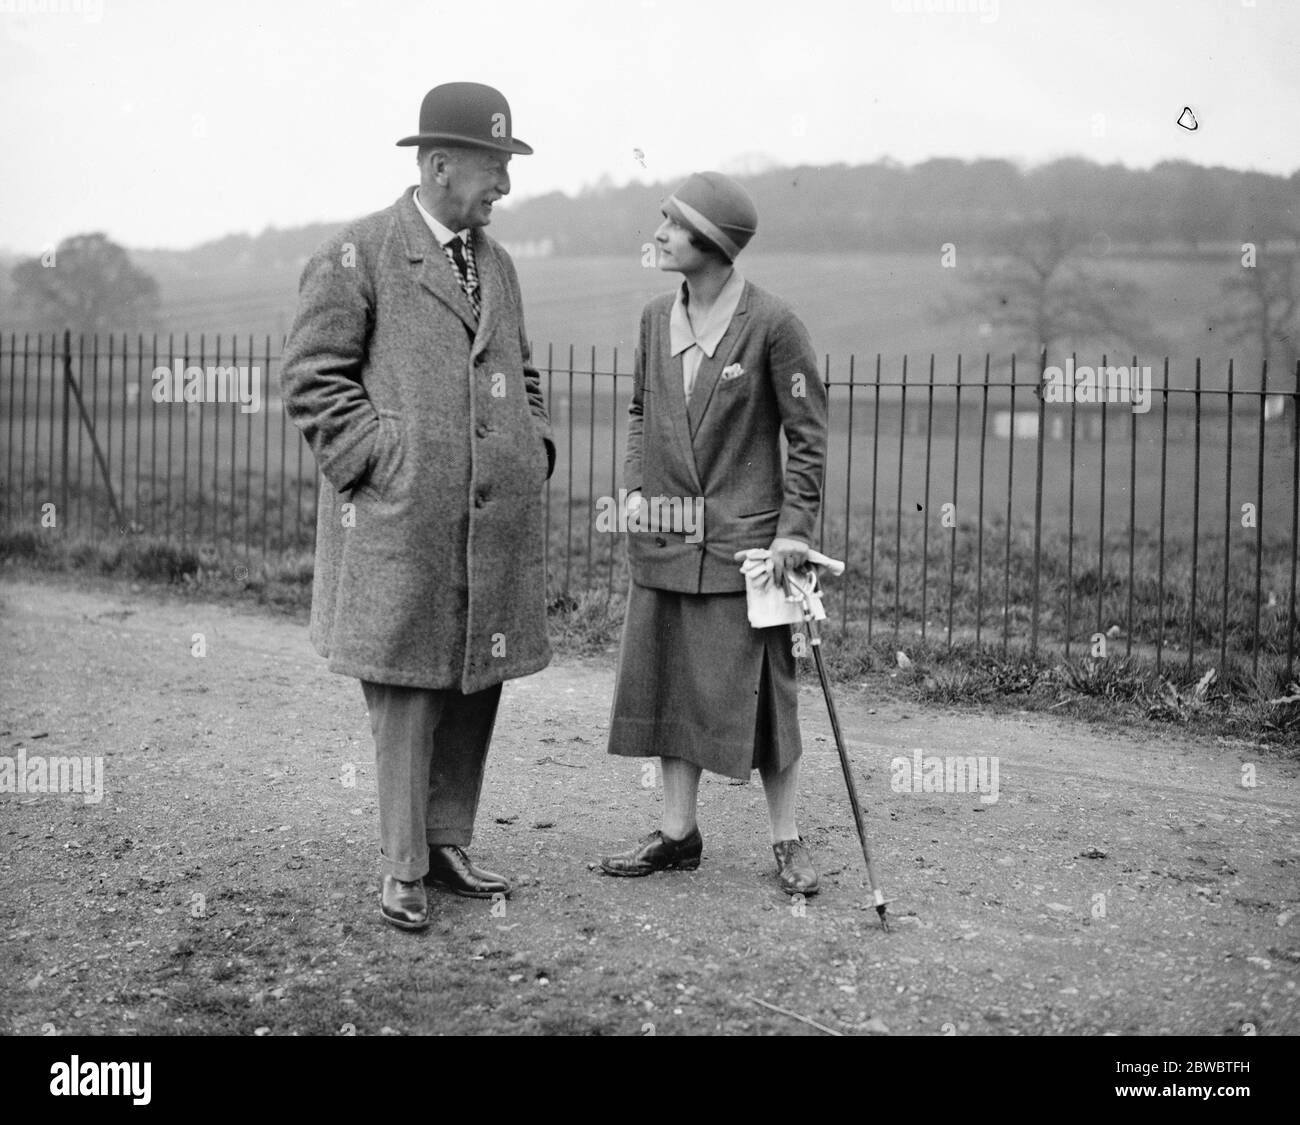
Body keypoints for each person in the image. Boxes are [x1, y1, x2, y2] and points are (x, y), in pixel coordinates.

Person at [282, 82, 554, 931]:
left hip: (491, 522)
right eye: (493, 167)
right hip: (401, 524)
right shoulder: (356, 254)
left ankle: (445, 842)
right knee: (406, 688)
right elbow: (312, 377)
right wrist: (380, 461)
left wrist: (531, 445)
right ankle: (401, 866)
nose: (504, 185)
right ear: (438, 165)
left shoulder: (496, 263)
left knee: (476, 677)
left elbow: (523, 371)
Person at [599, 171, 828, 895]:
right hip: (665, 539)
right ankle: (677, 834)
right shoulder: (649, 319)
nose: (659, 235)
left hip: (750, 548)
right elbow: (639, 412)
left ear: (713, 243)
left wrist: (795, 530)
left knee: (766, 701)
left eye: (672, 225)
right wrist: (634, 487)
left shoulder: (773, 324)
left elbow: (808, 438)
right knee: (668, 683)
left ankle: (787, 843)